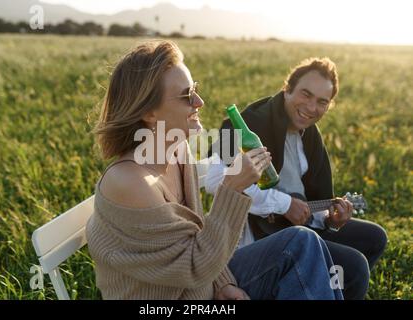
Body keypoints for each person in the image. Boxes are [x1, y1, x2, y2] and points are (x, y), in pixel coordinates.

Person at [85, 40, 343, 300]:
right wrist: (234, 188)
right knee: (301, 244)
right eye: (187, 96)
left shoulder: (178, 151)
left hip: (207, 283)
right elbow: (193, 265)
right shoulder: (131, 182)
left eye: (194, 89)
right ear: (149, 112)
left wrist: (224, 284)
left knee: (349, 259)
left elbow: (192, 237)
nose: (200, 101)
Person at [205, 57, 387, 300]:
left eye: (322, 102)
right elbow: (214, 180)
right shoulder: (238, 125)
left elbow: (312, 200)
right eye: (305, 94)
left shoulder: (311, 137)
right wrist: (283, 204)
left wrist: (331, 220)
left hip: (297, 228)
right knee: (354, 267)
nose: (312, 108)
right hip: (259, 238)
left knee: (374, 238)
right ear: (287, 89)